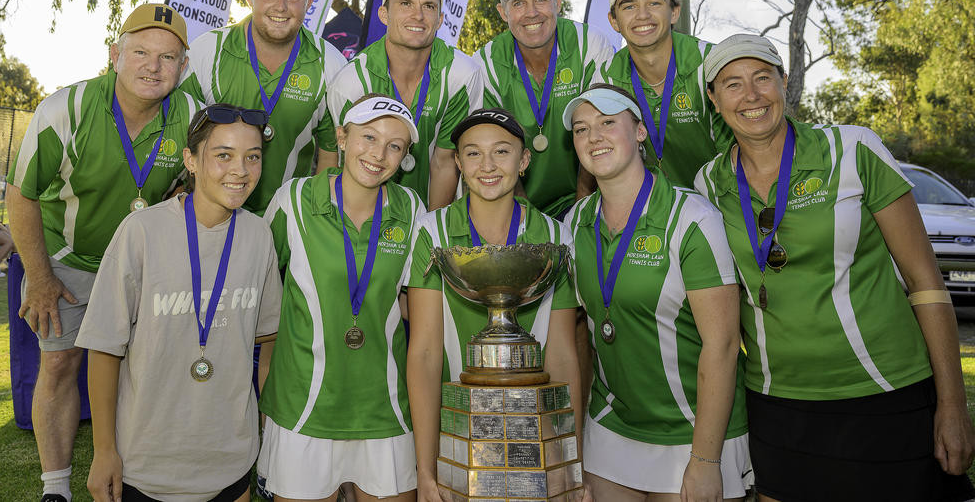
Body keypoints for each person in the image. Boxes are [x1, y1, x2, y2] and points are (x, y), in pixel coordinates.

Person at [694, 34, 975, 502]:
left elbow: (925, 283)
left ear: (784, 82)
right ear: (714, 99)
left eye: (763, 78)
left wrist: (952, 404)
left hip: (884, 393)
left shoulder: (853, 150)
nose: (751, 96)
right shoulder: (709, 183)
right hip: (776, 401)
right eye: (732, 84)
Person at [6, 3, 199, 502]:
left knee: (146, 369)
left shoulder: (193, 116)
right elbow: (20, 195)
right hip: (67, 260)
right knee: (61, 364)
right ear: (114, 55)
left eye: (168, 57)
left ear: (184, 66)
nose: (152, 67)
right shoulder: (63, 109)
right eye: (140, 52)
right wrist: (42, 278)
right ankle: (56, 488)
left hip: (141, 263)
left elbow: (196, 187)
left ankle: (135, 470)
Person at [78, 104, 281, 502]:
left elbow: (268, 341)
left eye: (252, 157)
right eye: (223, 155)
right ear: (190, 160)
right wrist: (104, 451)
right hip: (147, 463)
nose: (240, 170)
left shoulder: (259, 236)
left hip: (230, 461)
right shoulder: (142, 231)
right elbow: (103, 347)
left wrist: (264, 431)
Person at [563, 84, 751, 501]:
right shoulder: (573, 224)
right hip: (612, 428)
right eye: (581, 129)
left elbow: (721, 345)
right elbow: (578, 336)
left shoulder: (693, 218)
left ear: (640, 132)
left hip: (695, 433)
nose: (594, 137)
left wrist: (705, 461)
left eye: (608, 123)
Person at [406, 108, 584, 502]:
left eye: (501, 152)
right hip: (454, 434)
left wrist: (571, 465)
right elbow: (425, 352)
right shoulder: (430, 231)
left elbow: (564, 355)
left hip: (535, 443)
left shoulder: (556, 235)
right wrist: (425, 469)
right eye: (472, 153)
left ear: (523, 162)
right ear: (457, 162)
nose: (487, 165)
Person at [257, 95, 424, 502]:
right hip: (304, 408)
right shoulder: (293, 201)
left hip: (384, 408)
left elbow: (414, 308)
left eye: (394, 146)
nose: (379, 154)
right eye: (369, 137)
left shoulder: (412, 210)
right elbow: (255, 286)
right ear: (342, 138)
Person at [181, 0, 347, 216]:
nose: (280, 7)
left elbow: (330, 153)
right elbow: (182, 134)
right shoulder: (207, 51)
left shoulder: (330, 63)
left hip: (287, 218)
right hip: (211, 214)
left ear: (309, 1)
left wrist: (316, 216)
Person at [328, 0, 483, 210]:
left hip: (431, 207)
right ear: (383, 14)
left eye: (429, 6)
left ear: (440, 18)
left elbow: (444, 161)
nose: (418, 15)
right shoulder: (351, 82)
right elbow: (347, 165)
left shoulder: (462, 75)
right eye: (406, 4)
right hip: (364, 210)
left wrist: (430, 231)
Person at [474, 0, 616, 219]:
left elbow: (602, 128)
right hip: (514, 202)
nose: (531, 13)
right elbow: (494, 150)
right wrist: (529, 221)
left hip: (589, 197)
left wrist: (580, 213)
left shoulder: (589, 44)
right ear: (503, 12)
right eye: (518, 3)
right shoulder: (485, 63)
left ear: (557, 2)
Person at [595, 0, 731, 188]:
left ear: (675, 11)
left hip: (723, 199)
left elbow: (742, 150)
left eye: (654, 3)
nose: (642, 15)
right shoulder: (605, 76)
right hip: (650, 206)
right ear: (614, 21)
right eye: (629, 6)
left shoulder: (711, 61)